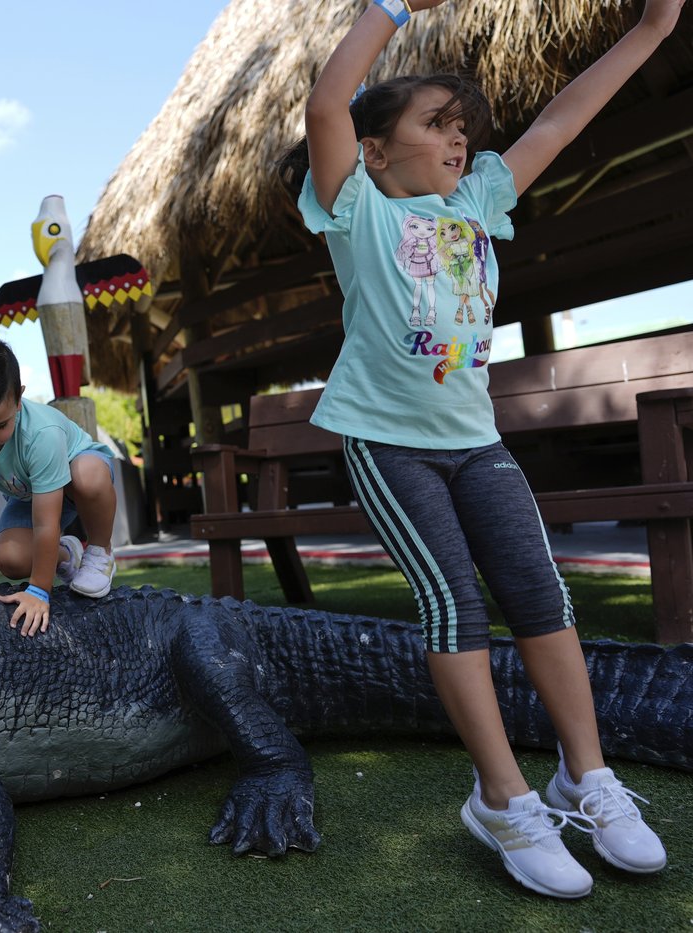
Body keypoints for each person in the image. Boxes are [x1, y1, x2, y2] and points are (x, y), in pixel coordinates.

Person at [279, 0, 682, 900]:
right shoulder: (357, 210)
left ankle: (585, 776)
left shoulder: (476, 204)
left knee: (542, 595)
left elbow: (560, 123)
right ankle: (502, 797)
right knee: (454, 603)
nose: (458, 139)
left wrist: (652, 31)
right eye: (435, 124)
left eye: (463, 127)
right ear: (374, 151)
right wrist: (391, 7)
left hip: (477, 441)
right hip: (390, 445)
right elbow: (326, 104)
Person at [0, 333, 119, 636]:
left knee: (88, 475)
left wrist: (39, 590)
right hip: (29, 495)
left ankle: (99, 551)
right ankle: (66, 555)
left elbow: (46, 523)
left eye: (0, 425)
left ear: (18, 399)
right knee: (10, 560)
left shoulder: (42, 434)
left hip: (77, 478)